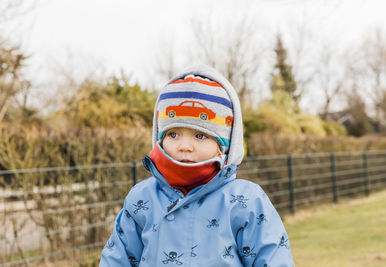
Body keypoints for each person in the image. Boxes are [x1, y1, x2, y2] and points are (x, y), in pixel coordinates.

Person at [100, 65, 294, 266]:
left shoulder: (245, 201)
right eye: (173, 134)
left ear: (223, 146)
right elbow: (117, 259)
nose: (185, 146)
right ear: (159, 138)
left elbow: (272, 259)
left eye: (200, 136)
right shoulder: (141, 199)